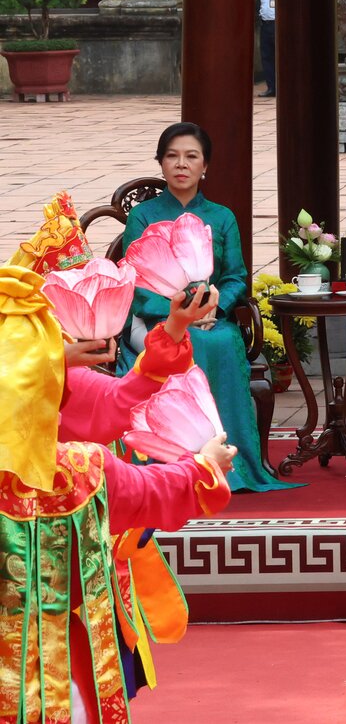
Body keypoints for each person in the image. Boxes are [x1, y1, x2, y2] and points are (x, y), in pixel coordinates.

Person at [0, 263, 236, 723]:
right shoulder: (77, 472)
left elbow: (118, 402)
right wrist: (206, 466)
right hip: (53, 664)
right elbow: (156, 490)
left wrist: (174, 327)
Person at [117, 122, 295, 492]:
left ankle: (228, 462)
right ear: (161, 164)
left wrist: (215, 307)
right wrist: (177, 315)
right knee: (189, 344)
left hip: (211, 318)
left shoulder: (221, 216)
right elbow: (133, 282)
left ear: (204, 166)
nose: (181, 164)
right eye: (172, 156)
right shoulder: (143, 216)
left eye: (191, 157)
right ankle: (176, 466)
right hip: (155, 318)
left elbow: (235, 278)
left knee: (220, 343)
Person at [256, 0, 276, 98]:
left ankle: (281, 86)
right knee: (266, 57)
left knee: (279, 57)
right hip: (265, 24)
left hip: (277, 24)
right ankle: (271, 87)